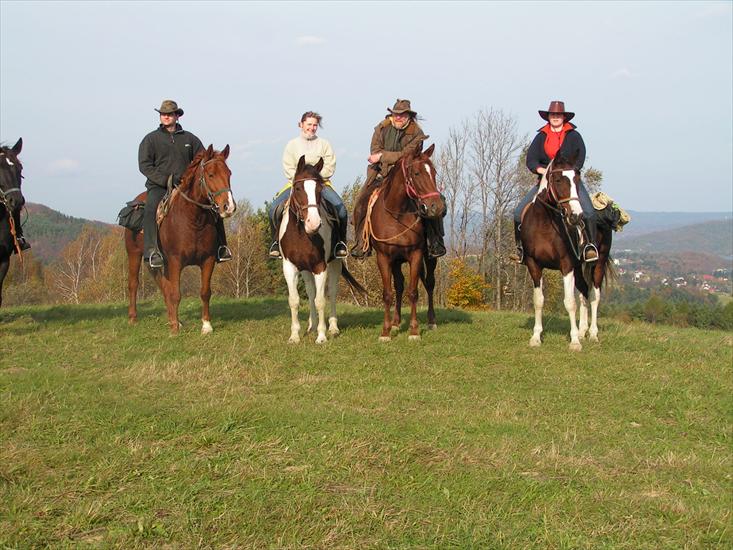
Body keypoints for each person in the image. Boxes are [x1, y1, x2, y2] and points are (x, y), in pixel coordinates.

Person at [138, 99, 232, 268]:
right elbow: (144, 166)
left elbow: (204, 161)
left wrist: (189, 178)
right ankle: (152, 251)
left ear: (177, 116)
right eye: (163, 114)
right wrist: (165, 179)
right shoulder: (150, 139)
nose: (166, 117)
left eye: (169, 114)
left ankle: (221, 247)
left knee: (213, 209)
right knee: (151, 207)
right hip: (159, 186)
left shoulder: (190, 139)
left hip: (185, 186)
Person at [350, 99, 446, 259]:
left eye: (403, 115)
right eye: (396, 114)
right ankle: (361, 242)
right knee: (361, 201)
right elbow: (375, 150)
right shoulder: (381, 128)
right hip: (382, 173)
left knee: (434, 201)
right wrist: (381, 157)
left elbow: (406, 156)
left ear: (409, 116)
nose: (399, 118)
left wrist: (382, 156)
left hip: (408, 175)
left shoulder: (417, 133)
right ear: (392, 114)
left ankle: (435, 241)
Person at [510, 100, 598, 264]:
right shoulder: (541, 136)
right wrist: (541, 170)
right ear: (548, 117)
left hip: (569, 182)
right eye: (553, 115)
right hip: (546, 182)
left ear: (564, 117)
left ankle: (590, 247)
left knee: (589, 211)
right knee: (518, 213)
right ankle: (521, 249)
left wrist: (573, 171)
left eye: (558, 115)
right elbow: (531, 159)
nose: (555, 117)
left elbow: (581, 155)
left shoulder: (573, 135)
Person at [268, 111, 348, 259]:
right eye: (309, 124)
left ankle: (340, 243)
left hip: (321, 184)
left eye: (315, 125)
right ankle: (275, 243)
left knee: (341, 209)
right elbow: (288, 167)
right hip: (296, 185)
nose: (312, 128)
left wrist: (315, 179)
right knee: (273, 209)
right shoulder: (292, 145)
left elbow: (330, 165)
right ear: (301, 124)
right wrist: (301, 180)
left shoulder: (324, 144)